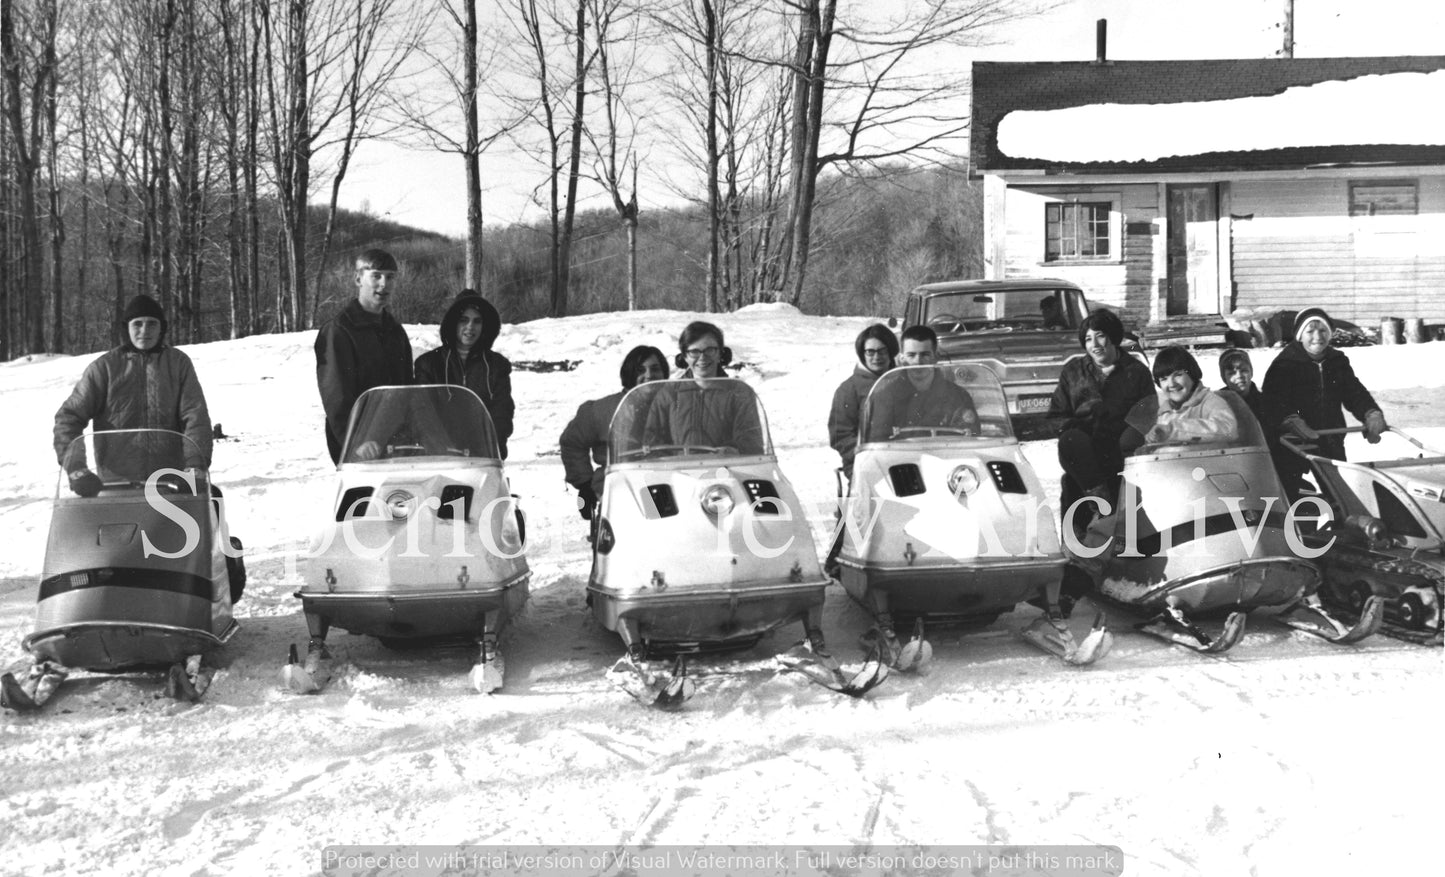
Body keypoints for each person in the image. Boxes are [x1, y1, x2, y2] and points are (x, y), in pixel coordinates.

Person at [53, 293, 244, 602]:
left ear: (162, 328)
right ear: (125, 328)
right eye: (137, 324)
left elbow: (195, 415)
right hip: (116, 485)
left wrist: (194, 464)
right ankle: (93, 603)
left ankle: (214, 594)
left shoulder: (178, 364)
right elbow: (69, 417)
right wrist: (76, 468)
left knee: (212, 504)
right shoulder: (104, 368)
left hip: (168, 481)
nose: (144, 331)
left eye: (152, 324)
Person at [1262, 307, 1387, 501]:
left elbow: (1354, 393)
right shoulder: (1285, 365)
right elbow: (1272, 400)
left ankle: (1342, 526)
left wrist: (1371, 413)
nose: (1317, 336)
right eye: (1310, 331)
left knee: (1340, 494)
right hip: (1292, 442)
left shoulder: (1337, 362)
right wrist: (1289, 420)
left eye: (1322, 331)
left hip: (1330, 438)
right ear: (1299, 336)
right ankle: (1293, 528)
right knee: (1288, 492)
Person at [1048, 308, 1154, 520]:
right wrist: (1074, 427)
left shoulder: (1136, 371)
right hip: (1083, 451)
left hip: (1121, 450)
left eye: (1100, 336)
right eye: (1088, 339)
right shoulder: (1073, 371)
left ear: (1113, 337)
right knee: (1071, 442)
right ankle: (1101, 504)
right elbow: (1056, 416)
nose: (1094, 345)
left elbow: (1148, 415)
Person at [314, 248, 413, 464]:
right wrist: (357, 441)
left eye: (390, 277)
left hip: (397, 445)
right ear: (358, 278)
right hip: (359, 448)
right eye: (376, 275)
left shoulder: (396, 332)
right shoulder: (339, 330)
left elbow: (405, 391)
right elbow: (336, 397)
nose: (384, 284)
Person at [559, 345, 668, 525]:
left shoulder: (677, 406)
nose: (649, 375)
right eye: (641, 370)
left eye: (655, 369)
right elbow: (572, 442)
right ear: (629, 373)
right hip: (618, 486)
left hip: (666, 483)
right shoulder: (603, 410)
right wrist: (585, 483)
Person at [414, 290, 516, 458]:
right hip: (438, 455)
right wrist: (439, 445)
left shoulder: (497, 365)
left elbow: (502, 412)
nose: (470, 327)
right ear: (453, 323)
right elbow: (421, 412)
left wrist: (488, 445)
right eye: (463, 320)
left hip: (483, 456)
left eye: (477, 321)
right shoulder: (429, 364)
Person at [642, 321, 765, 455]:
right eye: (694, 352)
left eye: (710, 350)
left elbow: (751, 442)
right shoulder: (669, 393)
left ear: (720, 353)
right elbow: (652, 442)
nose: (702, 358)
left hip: (727, 470)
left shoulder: (738, 392)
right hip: (679, 472)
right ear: (684, 356)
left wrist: (733, 451)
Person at [862, 325, 979, 442]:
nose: (918, 362)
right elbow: (877, 444)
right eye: (911, 355)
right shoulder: (885, 397)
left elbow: (969, 439)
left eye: (925, 355)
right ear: (902, 359)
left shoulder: (958, 396)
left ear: (935, 357)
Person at [828, 324, 898, 482]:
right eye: (870, 352)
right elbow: (840, 434)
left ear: (891, 351)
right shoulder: (848, 390)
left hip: (902, 457)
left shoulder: (904, 381)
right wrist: (864, 454)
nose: (876, 357)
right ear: (862, 354)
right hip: (864, 462)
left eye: (882, 350)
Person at [1135, 346, 1239, 446]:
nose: (1171, 384)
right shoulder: (1165, 413)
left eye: (1178, 375)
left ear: (1192, 374)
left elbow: (1228, 429)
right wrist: (1153, 440)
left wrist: (1175, 429)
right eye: (1164, 379)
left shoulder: (1210, 401)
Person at [1217, 347, 1264, 424]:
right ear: (1224, 377)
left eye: (1244, 371)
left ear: (1251, 373)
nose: (1239, 376)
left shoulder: (1264, 402)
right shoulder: (1218, 403)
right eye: (1232, 373)